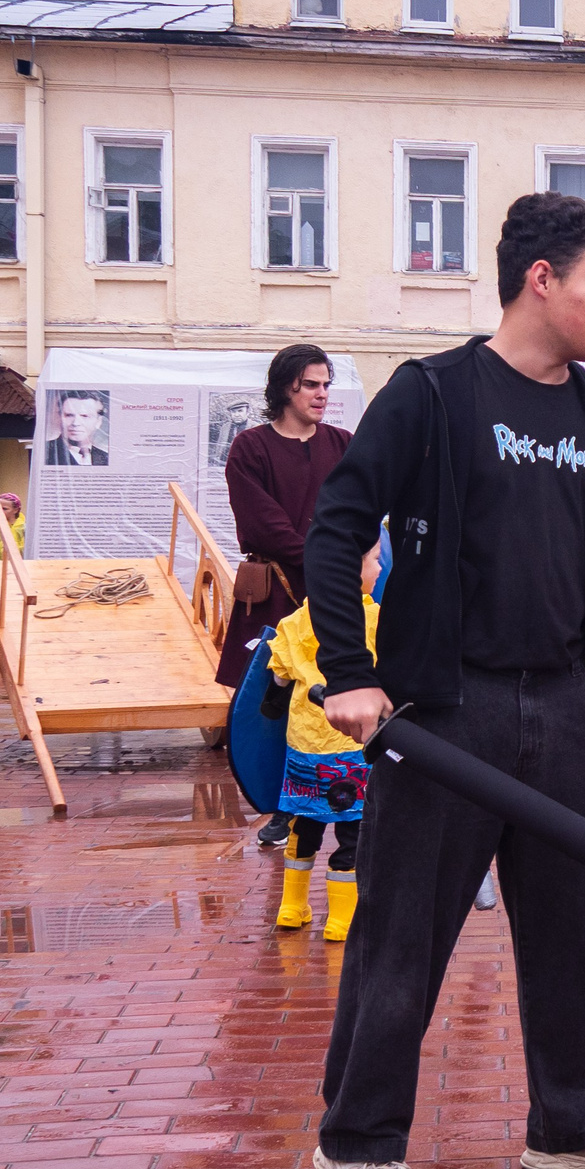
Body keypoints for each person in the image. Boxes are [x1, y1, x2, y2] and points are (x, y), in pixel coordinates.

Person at [303, 191, 585, 1169]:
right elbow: (336, 528)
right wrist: (351, 672)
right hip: (448, 714)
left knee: (577, 930)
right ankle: (356, 1141)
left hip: (570, 711)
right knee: (403, 934)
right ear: (545, 279)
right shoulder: (434, 396)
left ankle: (577, 1125)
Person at [222, 344, 355, 852]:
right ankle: (282, 807)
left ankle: (336, 798)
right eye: (311, 385)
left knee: (330, 696)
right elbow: (264, 524)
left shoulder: (343, 443)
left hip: (336, 590)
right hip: (280, 588)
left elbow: (363, 507)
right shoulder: (250, 448)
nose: (322, 394)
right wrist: (326, 560)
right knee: (274, 701)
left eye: (326, 384)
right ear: (284, 389)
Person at [266, 542, 382, 943]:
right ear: (353, 570)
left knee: (304, 822)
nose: (380, 567)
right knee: (353, 827)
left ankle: (291, 906)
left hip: (303, 744)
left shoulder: (296, 620)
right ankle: (341, 920)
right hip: (350, 742)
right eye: (375, 559)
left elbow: (278, 677)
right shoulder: (371, 619)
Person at [42, 390, 109, 466]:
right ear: (59, 418)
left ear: (98, 422)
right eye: (69, 415)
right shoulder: (43, 452)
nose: (75, 423)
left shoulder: (106, 458)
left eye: (84, 416)